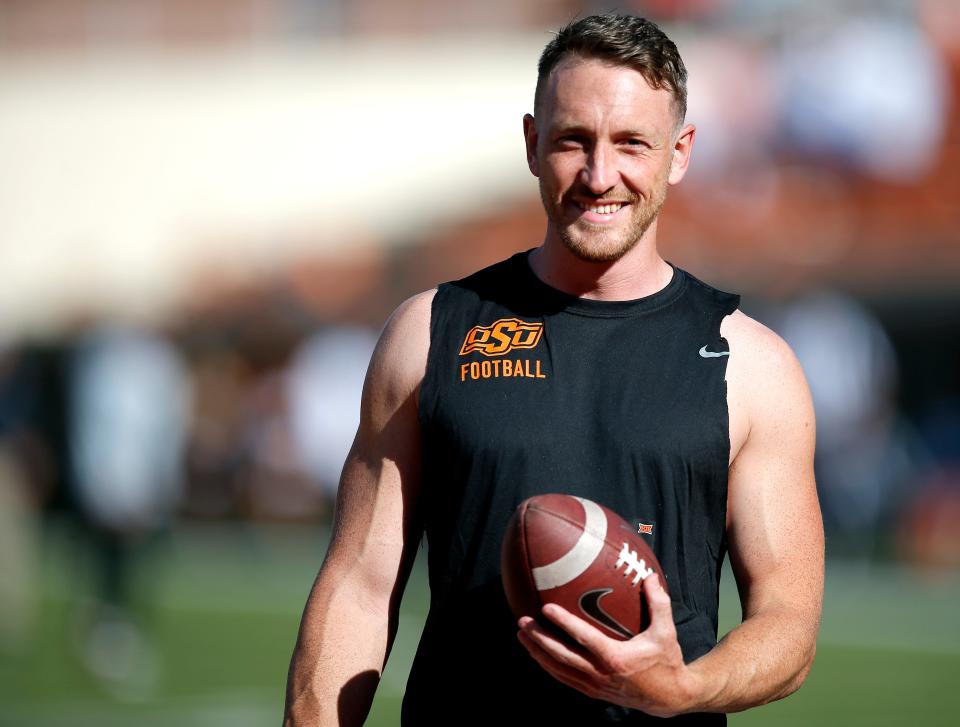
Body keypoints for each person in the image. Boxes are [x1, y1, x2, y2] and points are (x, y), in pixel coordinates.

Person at [283, 13, 823, 726]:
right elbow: (359, 584)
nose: (601, 176)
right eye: (574, 140)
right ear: (534, 143)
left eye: (633, 143)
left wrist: (684, 688)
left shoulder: (752, 366)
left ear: (680, 152)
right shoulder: (430, 334)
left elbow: (788, 622)